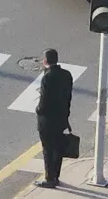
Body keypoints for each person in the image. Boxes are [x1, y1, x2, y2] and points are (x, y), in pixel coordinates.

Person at [35, 48, 73, 189]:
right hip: (61, 118)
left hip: (47, 121)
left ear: (45, 61)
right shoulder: (66, 75)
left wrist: (38, 110)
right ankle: (56, 175)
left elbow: (43, 102)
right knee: (58, 148)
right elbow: (68, 97)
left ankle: (49, 178)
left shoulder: (48, 77)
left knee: (48, 149)